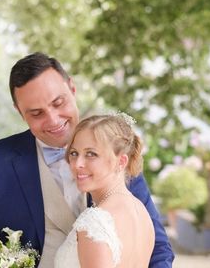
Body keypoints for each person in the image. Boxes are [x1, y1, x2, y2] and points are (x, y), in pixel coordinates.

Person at [0, 52, 174, 268]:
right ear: (19, 112)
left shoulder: (114, 154)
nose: (52, 120)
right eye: (36, 113)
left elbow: (158, 249)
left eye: (58, 103)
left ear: (72, 88)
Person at [54, 114, 155, 268]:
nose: (77, 164)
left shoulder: (94, 222)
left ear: (121, 161)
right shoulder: (142, 212)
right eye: (74, 153)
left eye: (91, 154)